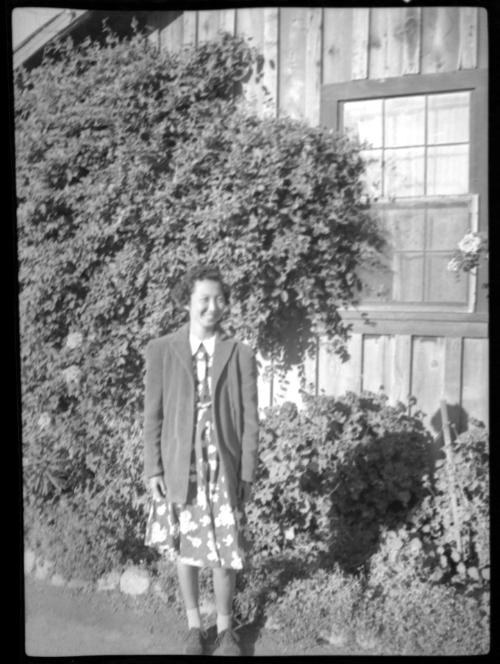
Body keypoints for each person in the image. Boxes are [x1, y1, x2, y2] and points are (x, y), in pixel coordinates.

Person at [143, 264, 259, 656]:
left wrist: (246, 472)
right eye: (204, 299)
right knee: (186, 550)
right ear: (187, 302)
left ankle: (225, 629)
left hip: (222, 470)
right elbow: (153, 415)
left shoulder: (239, 354)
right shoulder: (162, 350)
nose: (213, 306)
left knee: (225, 550)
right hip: (180, 468)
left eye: (219, 299)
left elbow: (250, 419)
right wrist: (153, 468)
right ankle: (194, 625)